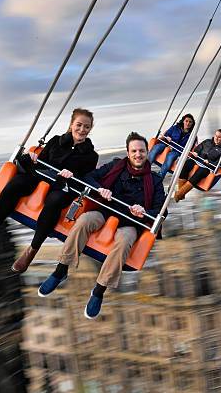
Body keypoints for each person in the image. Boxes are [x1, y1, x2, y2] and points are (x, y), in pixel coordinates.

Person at [36, 132, 166, 319]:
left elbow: (160, 210)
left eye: (142, 151)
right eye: (134, 151)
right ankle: (61, 270)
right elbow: (90, 177)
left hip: (130, 221)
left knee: (124, 242)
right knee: (84, 221)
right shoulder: (115, 166)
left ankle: (98, 290)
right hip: (107, 211)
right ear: (128, 153)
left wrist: (143, 211)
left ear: (147, 153)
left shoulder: (155, 181)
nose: (138, 154)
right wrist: (100, 188)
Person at [0, 108, 99, 273]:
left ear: (90, 129)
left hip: (64, 186)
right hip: (43, 177)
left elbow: (84, 179)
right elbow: (42, 164)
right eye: (79, 125)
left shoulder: (91, 156)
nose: (82, 130)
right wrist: (33, 158)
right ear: (71, 124)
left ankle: (31, 251)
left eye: (86, 127)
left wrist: (72, 175)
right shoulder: (56, 141)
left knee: (54, 201)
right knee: (16, 184)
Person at [174, 128, 221, 202]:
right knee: (186, 164)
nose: (216, 138)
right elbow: (199, 147)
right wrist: (196, 152)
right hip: (198, 160)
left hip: (207, 167)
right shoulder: (207, 142)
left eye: (219, 137)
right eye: (216, 136)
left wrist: (209, 162)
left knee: (199, 173)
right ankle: (180, 194)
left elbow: (220, 163)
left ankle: (179, 194)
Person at [148, 114, 196, 178]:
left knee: (170, 156)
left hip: (177, 151)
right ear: (183, 121)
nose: (188, 123)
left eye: (190, 122)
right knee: (157, 147)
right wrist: (167, 137)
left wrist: (175, 149)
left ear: (192, 124)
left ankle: (160, 176)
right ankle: (146, 168)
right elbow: (167, 134)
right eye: (186, 121)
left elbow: (189, 148)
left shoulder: (192, 136)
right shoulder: (175, 127)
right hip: (167, 145)